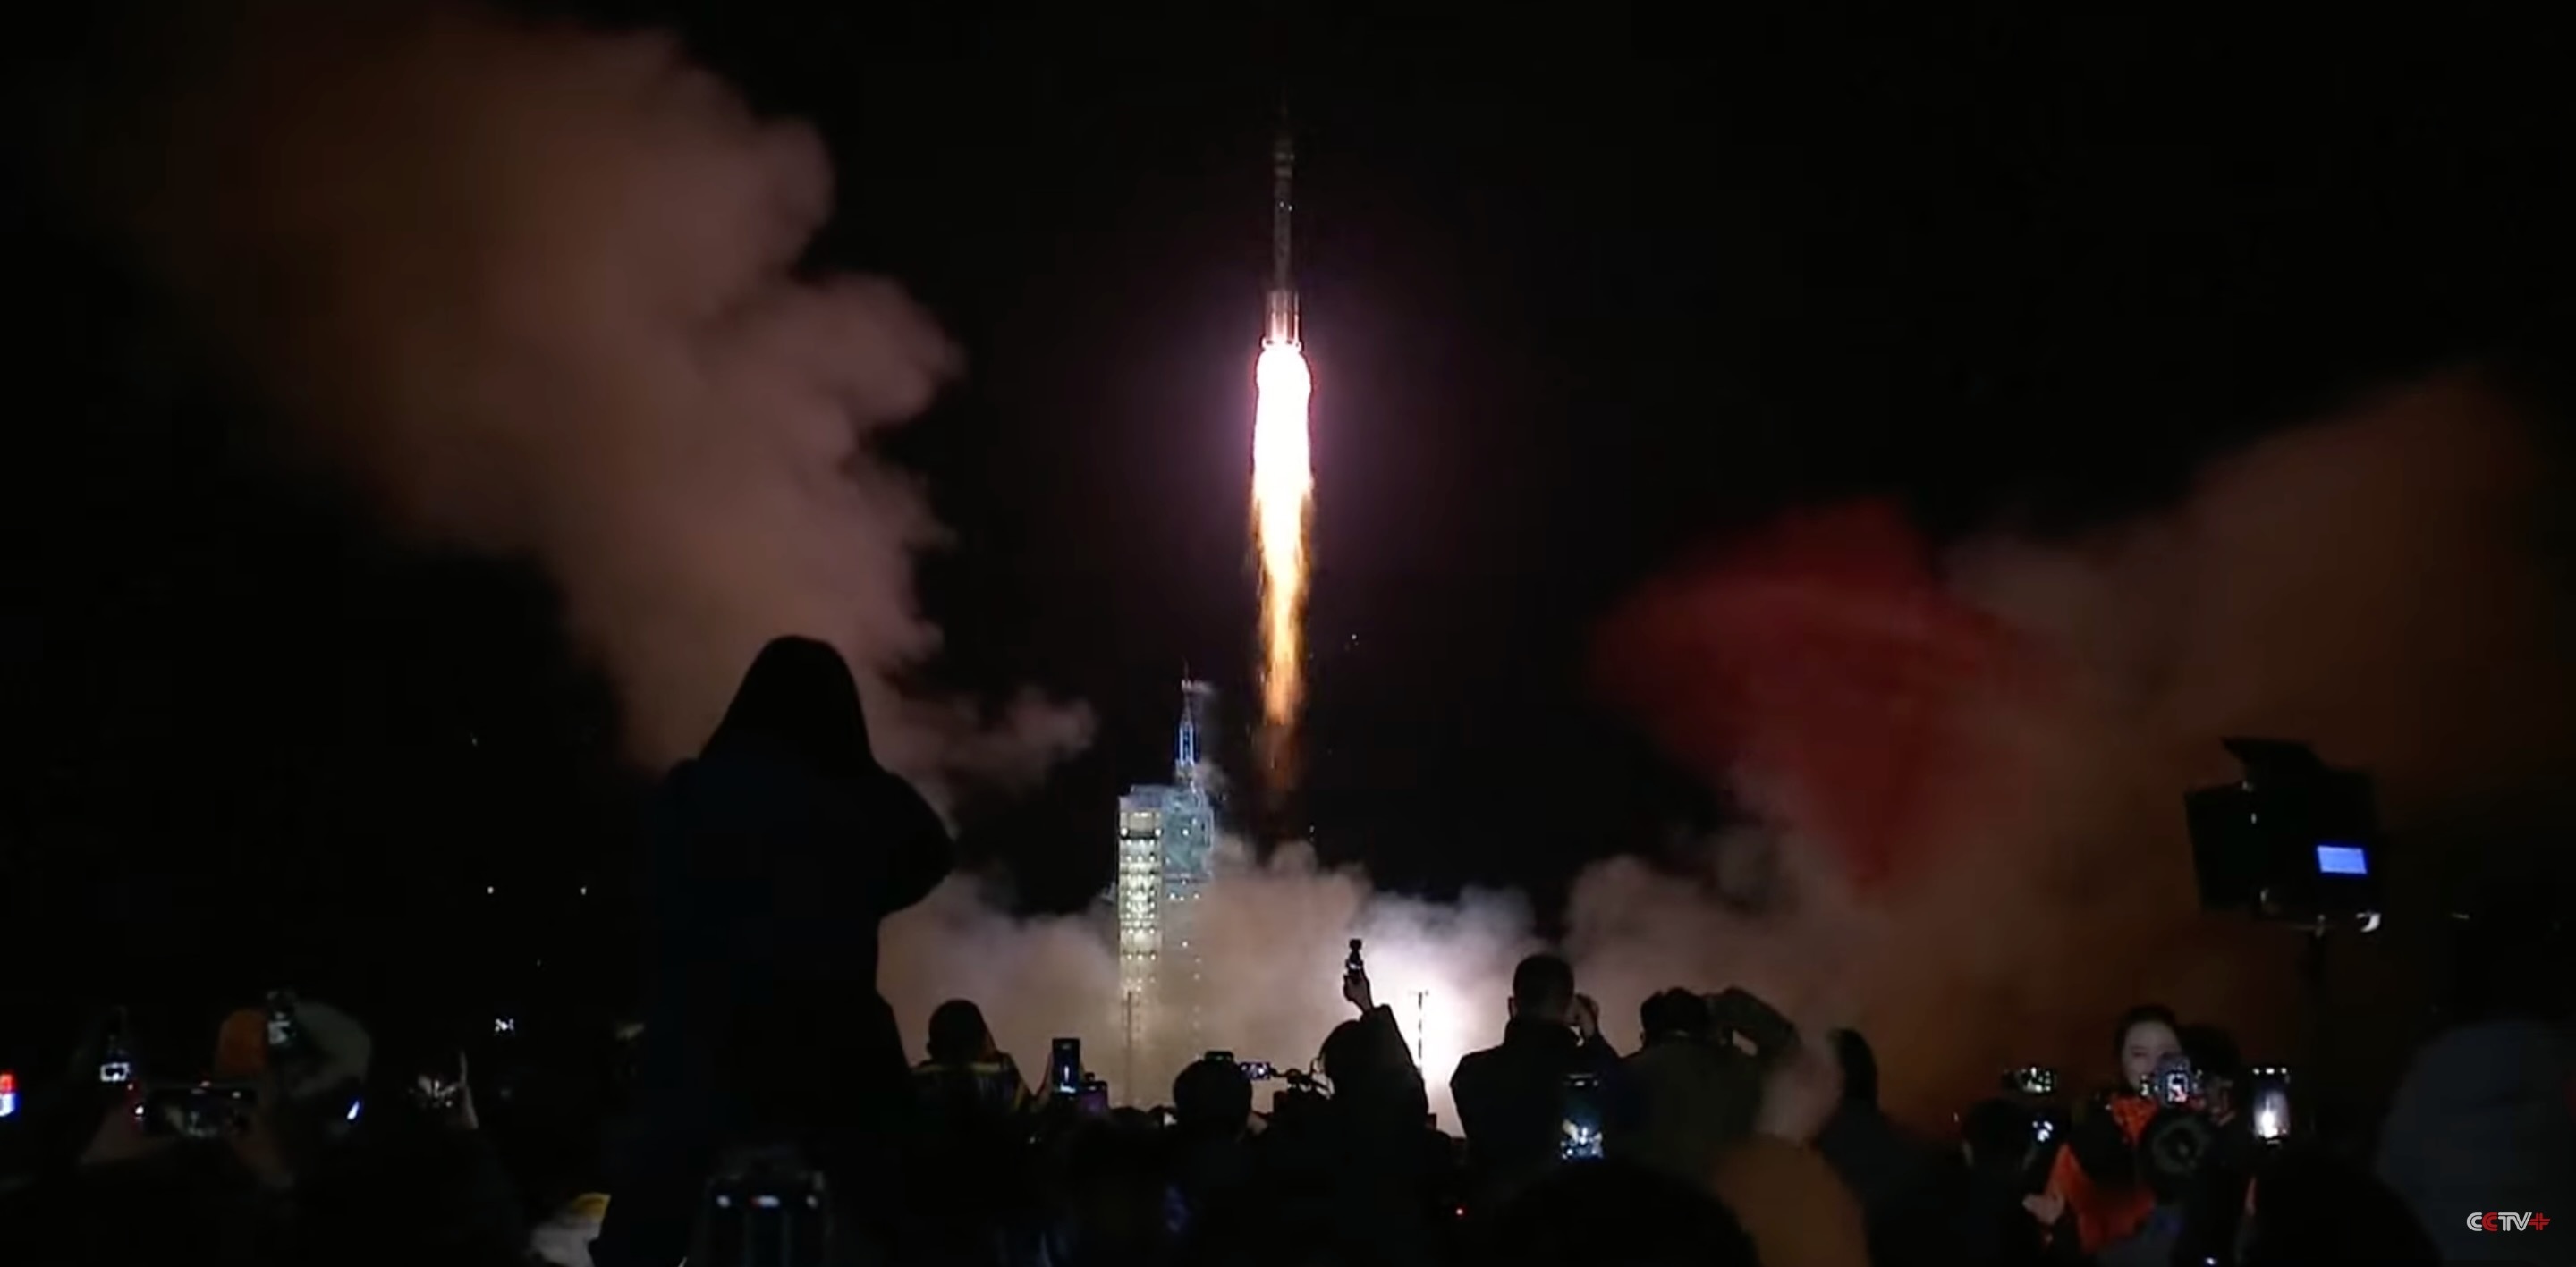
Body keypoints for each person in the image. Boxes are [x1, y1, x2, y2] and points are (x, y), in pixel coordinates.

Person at [592, 637, 953, 1267]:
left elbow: (647, 886)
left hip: (707, 1045)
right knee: (906, 1215)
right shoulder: (859, 798)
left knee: (644, 1215)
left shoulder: (693, 789)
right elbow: (930, 850)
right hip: (837, 1051)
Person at [1447, 952, 1621, 1212]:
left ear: (1512, 1005)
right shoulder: (1589, 1069)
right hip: (1572, 1223)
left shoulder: (1471, 1071)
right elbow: (1630, 1100)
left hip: (1495, 1225)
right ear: (1570, 1006)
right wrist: (1593, 1035)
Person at [2031, 1003, 2182, 1255]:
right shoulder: (2091, 1140)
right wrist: (2062, 1227)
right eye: (2139, 1054)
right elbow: (2058, 1234)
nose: (2154, 1066)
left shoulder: (2206, 1128)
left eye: (2167, 1054)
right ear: (2120, 1062)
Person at [1613, 986, 1771, 1187]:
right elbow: (1788, 1050)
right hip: (1732, 1201)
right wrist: (1730, 1004)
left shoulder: (1629, 1072)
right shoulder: (1738, 1070)